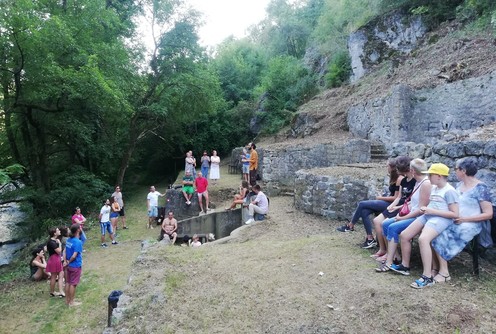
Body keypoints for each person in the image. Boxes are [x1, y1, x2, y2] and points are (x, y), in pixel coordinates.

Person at [395, 163, 459, 289]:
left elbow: (455, 213)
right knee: (404, 235)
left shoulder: (450, 191)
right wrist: (426, 209)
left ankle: (427, 276)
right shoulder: (435, 188)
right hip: (428, 215)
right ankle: (406, 265)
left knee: (423, 239)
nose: (428, 177)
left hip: (440, 219)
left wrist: (432, 211)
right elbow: (433, 205)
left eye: (430, 175)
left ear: (439, 176)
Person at [431, 158, 493, 283]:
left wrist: (464, 219)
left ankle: (444, 272)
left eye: (456, 169)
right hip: (456, 219)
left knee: (441, 235)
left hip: (471, 224)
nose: (455, 172)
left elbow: (488, 214)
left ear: (463, 171)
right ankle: (435, 267)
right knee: (433, 230)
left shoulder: (481, 188)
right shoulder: (459, 185)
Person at [375, 159, 431, 273]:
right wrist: (397, 208)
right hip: (411, 214)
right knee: (385, 224)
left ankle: (394, 263)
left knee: (393, 227)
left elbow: (421, 209)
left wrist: (402, 218)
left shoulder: (425, 184)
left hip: (418, 218)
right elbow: (412, 203)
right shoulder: (417, 182)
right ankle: (393, 259)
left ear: (413, 171)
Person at [336, 158, 403, 248]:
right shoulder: (394, 177)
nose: (386, 167)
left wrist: (380, 197)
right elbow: (392, 194)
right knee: (364, 211)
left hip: (393, 205)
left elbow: (396, 198)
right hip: (388, 202)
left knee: (362, 204)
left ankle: (350, 225)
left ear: (392, 167)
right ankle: (370, 238)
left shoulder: (399, 178)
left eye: (387, 166)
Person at [371, 156, 415, 259]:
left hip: (405, 208)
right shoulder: (403, 180)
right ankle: (383, 249)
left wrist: (397, 207)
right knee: (377, 221)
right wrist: (391, 206)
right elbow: (399, 196)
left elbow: (411, 200)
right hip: (398, 205)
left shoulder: (415, 181)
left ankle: (391, 254)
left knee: (384, 224)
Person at [64, 223, 83, 307]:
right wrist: (69, 261)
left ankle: (67, 300)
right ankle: (72, 302)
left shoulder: (68, 240)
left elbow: (64, 251)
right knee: (73, 284)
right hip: (75, 265)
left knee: (68, 282)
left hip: (69, 266)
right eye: (80, 227)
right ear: (78, 230)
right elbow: (74, 255)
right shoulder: (78, 242)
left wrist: (65, 261)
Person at [46, 227, 65, 297]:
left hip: (53, 259)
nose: (59, 231)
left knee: (53, 276)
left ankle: (52, 292)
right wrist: (59, 244)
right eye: (57, 230)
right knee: (60, 275)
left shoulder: (52, 241)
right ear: (54, 233)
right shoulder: (52, 242)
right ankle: (61, 292)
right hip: (55, 259)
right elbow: (59, 251)